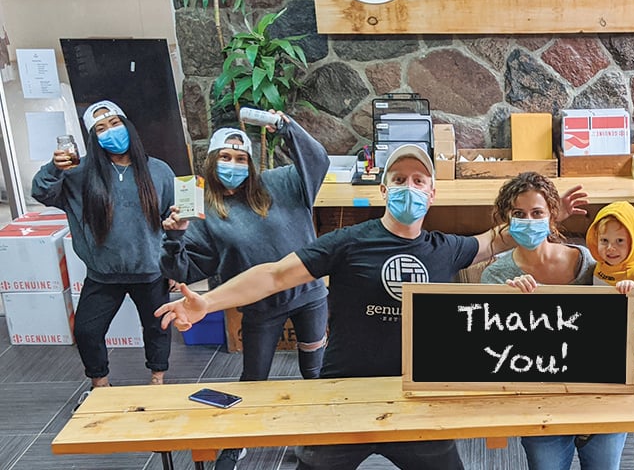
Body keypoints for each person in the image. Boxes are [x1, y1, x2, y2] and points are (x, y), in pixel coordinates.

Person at [156, 144, 588, 470]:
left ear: (432, 193)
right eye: (399, 179)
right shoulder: (348, 242)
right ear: (384, 189)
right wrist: (207, 302)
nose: (409, 188)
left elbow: (503, 237)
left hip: (417, 396)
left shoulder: (447, 248)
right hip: (345, 394)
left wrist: (552, 217)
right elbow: (274, 275)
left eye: (418, 180)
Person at [160, 114, 329, 470]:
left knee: (315, 371)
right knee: (253, 378)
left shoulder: (282, 182)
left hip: (309, 295)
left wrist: (286, 128)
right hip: (259, 307)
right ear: (212, 160)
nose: (233, 165)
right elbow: (184, 271)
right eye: (225, 157)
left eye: (241, 158)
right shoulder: (205, 212)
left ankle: (322, 439)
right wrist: (175, 237)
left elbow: (318, 160)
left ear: (251, 163)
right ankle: (237, 444)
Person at [480, 172, 628, 470]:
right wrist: (509, 307)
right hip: (539, 404)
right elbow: (491, 351)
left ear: (552, 216)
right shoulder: (495, 277)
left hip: (598, 397)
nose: (528, 221)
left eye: (537, 213)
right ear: (506, 219)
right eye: (518, 214)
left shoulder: (588, 262)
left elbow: (619, 324)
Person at [32, 100, 175, 396]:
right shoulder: (78, 173)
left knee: (157, 328)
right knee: (87, 330)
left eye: (114, 123)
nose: (110, 132)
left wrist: (175, 264)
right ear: (92, 138)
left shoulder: (159, 171)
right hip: (103, 274)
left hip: (150, 271)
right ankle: (100, 385)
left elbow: (175, 220)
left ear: (127, 125)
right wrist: (54, 168)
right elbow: (41, 191)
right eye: (100, 128)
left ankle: (158, 380)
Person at [586, 200, 634, 360]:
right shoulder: (601, 265)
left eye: (620, 241)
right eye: (604, 241)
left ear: (633, 242)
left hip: (628, 338)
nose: (610, 248)